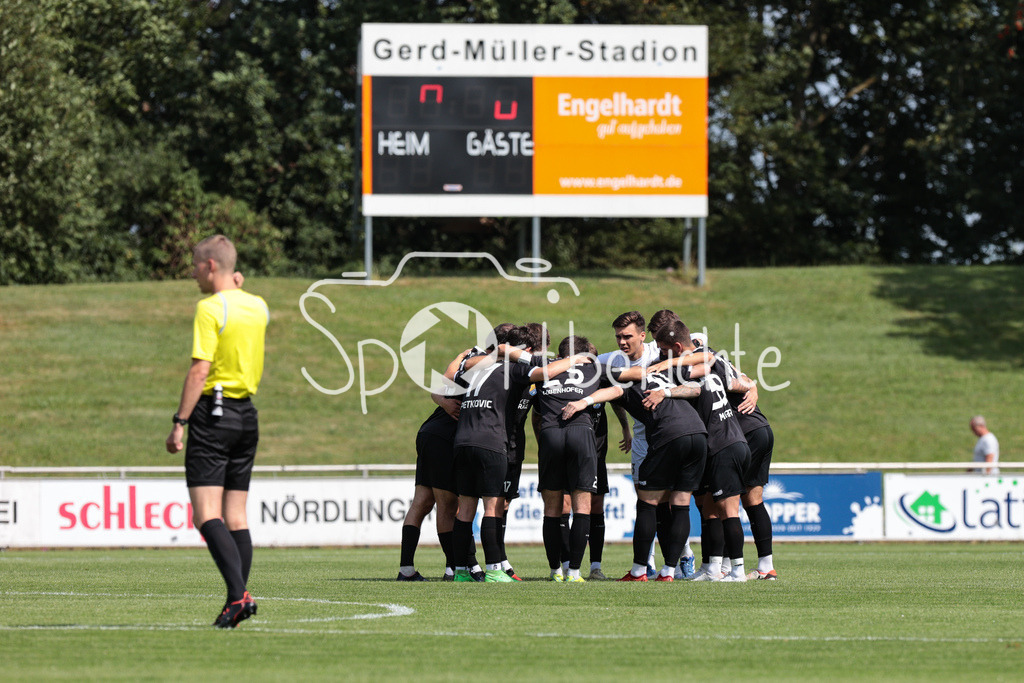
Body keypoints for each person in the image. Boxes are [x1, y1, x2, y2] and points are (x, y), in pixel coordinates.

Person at [165, 234, 268, 628]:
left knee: (206, 515)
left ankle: (238, 596)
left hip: (214, 413)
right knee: (236, 516)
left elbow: (200, 368)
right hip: (247, 415)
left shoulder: (210, 308)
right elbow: (242, 298)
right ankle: (237, 599)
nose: (192, 274)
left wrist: (180, 422)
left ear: (211, 267)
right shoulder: (258, 306)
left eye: (195, 265)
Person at [450, 329, 591, 583]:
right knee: (492, 509)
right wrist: (573, 359)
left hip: (462, 442)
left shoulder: (477, 369)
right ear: (523, 351)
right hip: (490, 442)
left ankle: (461, 570)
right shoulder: (512, 369)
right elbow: (543, 372)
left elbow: (453, 373)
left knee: (465, 511)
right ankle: (494, 570)